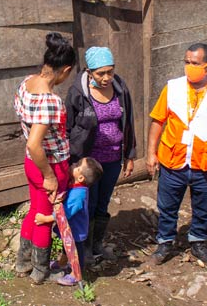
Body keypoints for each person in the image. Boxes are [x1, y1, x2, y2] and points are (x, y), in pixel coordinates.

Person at [146, 43, 207, 266]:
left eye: (195, 63)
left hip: (205, 165)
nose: (189, 67)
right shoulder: (173, 87)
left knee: (203, 208)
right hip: (173, 161)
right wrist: (151, 153)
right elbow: (157, 121)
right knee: (167, 206)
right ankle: (165, 242)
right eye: (187, 62)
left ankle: (198, 242)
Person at [13, 32, 77, 284]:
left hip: (31, 163)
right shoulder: (49, 101)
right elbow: (34, 143)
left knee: (34, 211)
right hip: (49, 164)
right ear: (66, 70)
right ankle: (40, 271)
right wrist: (50, 176)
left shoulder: (27, 83)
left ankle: (23, 262)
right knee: (43, 218)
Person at [65, 46, 136, 264]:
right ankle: (84, 248)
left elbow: (128, 122)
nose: (106, 78)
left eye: (110, 71)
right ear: (89, 71)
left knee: (103, 203)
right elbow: (68, 127)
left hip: (113, 158)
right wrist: (70, 160)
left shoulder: (120, 87)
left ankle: (97, 244)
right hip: (88, 162)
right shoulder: (78, 93)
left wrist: (129, 154)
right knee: (88, 203)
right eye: (100, 73)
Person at [34, 157, 104, 286]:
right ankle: (62, 263)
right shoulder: (75, 186)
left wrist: (45, 219)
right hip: (70, 228)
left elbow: (65, 214)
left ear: (81, 178)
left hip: (75, 230)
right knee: (66, 247)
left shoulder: (79, 194)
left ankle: (76, 273)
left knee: (76, 251)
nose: (73, 164)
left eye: (77, 165)